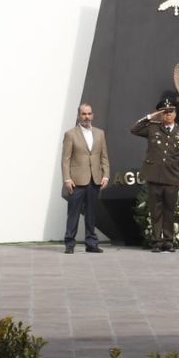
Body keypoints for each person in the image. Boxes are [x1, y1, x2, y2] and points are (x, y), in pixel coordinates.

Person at [130, 97, 179, 252]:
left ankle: (168, 241)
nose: (167, 115)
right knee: (155, 211)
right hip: (154, 176)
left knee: (169, 211)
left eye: (170, 112)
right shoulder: (153, 128)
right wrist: (151, 116)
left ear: (175, 113)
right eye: (164, 112)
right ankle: (157, 241)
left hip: (172, 177)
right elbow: (134, 129)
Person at [61, 103, 110, 254]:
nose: (86, 117)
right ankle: (70, 243)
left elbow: (104, 156)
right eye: (83, 114)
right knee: (74, 213)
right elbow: (65, 159)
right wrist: (67, 179)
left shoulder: (99, 133)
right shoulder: (71, 134)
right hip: (76, 181)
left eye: (89, 114)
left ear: (92, 115)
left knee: (91, 213)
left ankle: (91, 243)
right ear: (78, 116)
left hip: (94, 179)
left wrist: (106, 175)